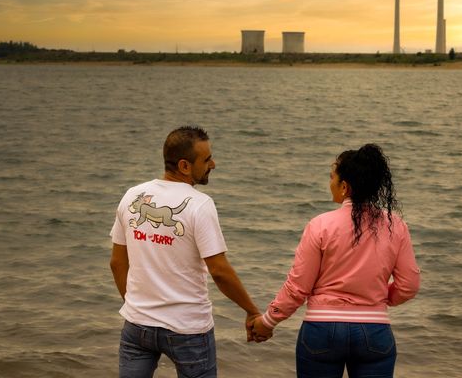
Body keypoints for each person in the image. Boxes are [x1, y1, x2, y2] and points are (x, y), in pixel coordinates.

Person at [251, 144, 421, 378]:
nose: (329, 183)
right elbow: (409, 285)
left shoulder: (320, 225)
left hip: (321, 330)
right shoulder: (396, 226)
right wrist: (379, 298)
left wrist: (268, 321)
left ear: (344, 187)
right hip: (375, 333)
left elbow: (298, 287)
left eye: (332, 178)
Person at [110, 126, 263, 378]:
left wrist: (135, 304)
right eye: (206, 159)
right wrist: (252, 311)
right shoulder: (200, 205)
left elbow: (117, 263)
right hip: (188, 329)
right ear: (184, 166)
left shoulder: (132, 196)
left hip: (137, 326)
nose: (213, 163)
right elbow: (220, 271)